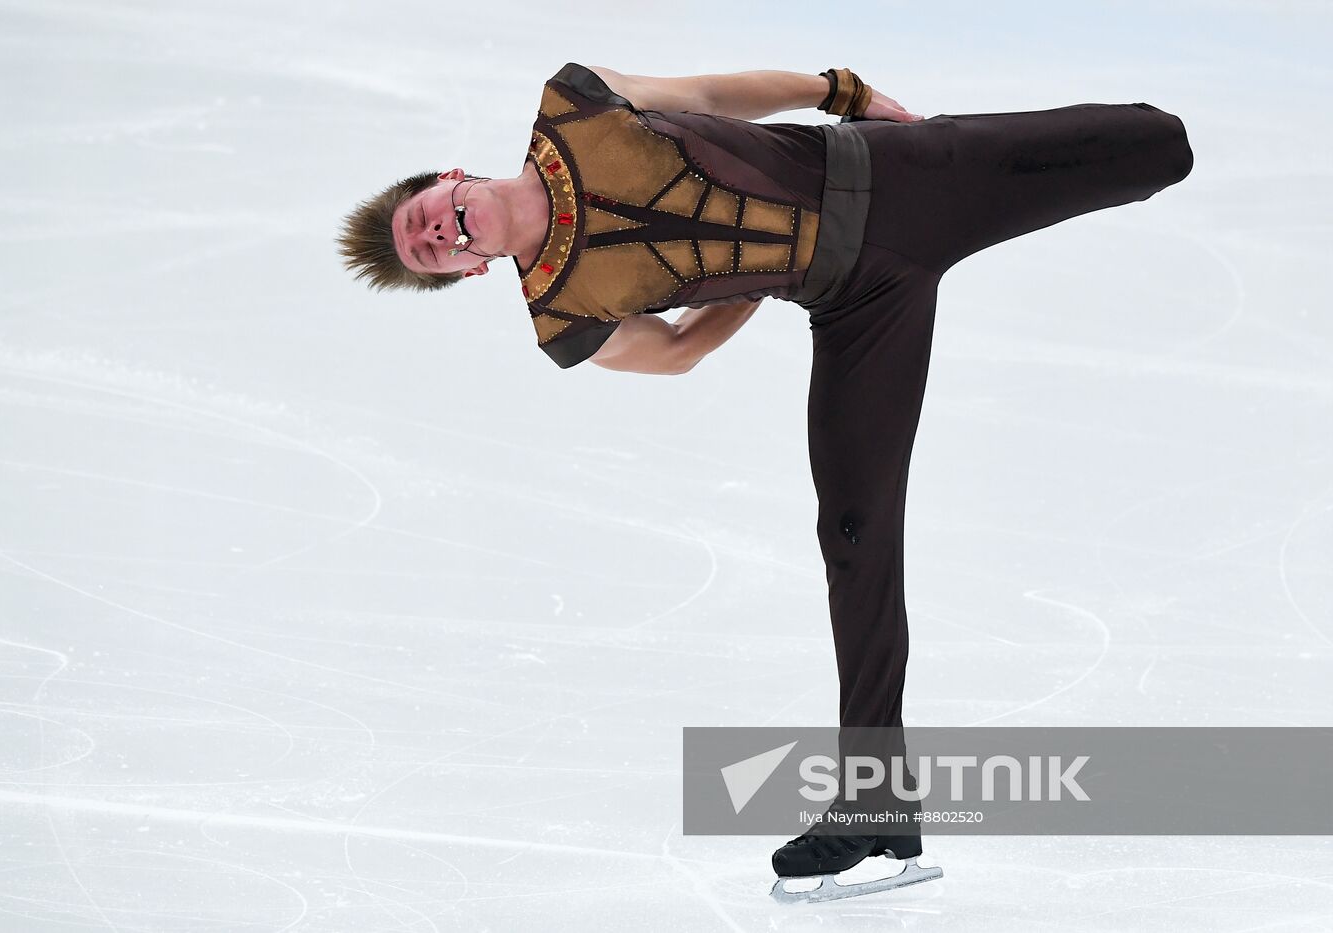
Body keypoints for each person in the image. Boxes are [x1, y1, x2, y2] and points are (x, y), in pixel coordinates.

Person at [336, 63, 1195, 902]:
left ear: (449, 178)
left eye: (425, 218)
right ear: (466, 271)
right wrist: (757, 279)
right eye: (432, 254)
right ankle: (875, 798)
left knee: (1160, 145)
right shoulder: (566, 318)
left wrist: (839, 93)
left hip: (892, 176)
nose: (439, 233)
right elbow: (672, 353)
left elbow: (710, 95)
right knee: (854, 536)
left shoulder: (573, 104)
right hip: (858, 306)